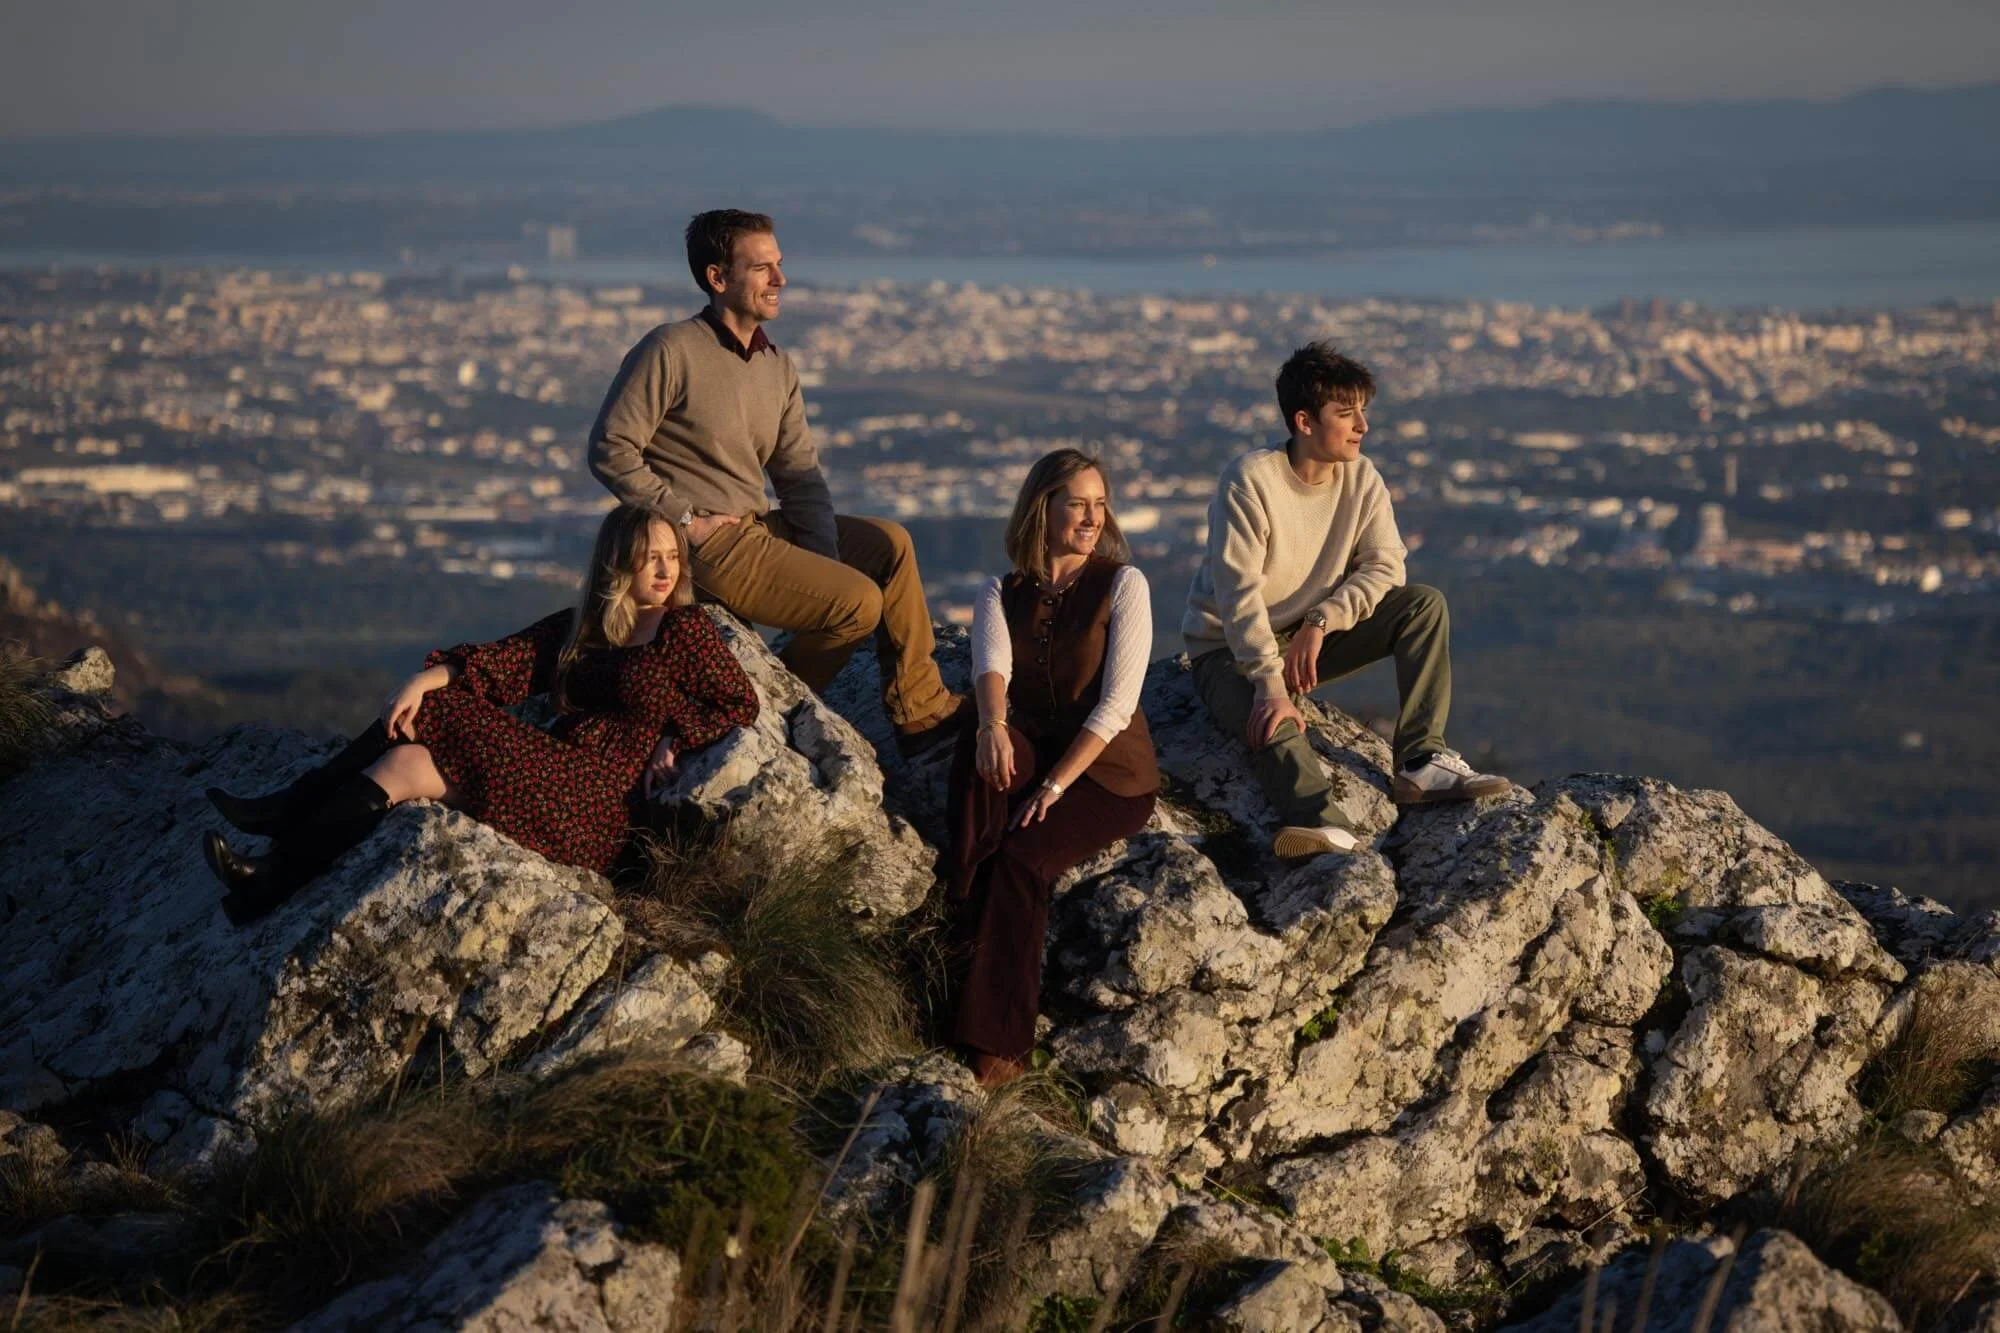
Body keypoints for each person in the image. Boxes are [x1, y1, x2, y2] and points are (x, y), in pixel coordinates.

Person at [202, 503, 759, 925]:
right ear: (619, 561)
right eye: (650, 555)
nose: (665, 569)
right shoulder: (584, 626)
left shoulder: (684, 629)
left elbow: (740, 701)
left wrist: (674, 739)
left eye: (671, 555)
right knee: (408, 763)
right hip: (556, 778)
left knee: (440, 710)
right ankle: (267, 881)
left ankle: (288, 807)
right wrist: (423, 679)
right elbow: (505, 663)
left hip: (601, 806)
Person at [586, 208, 960, 756]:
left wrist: (825, 558)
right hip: (710, 543)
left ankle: (919, 711)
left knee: (890, 545)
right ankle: (769, 706)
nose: (780, 279)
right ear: (718, 278)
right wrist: (684, 521)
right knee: (857, 604)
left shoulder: (776, 366)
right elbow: (609, 446)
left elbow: (800, 478)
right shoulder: (671, 349)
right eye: (762, 268)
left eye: (779, 265)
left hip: (761, 527)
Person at [1184, 342, 1510, 860]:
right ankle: (1324, 825)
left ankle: (1421, 761)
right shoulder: (1251, 481)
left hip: (1310, 636)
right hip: (1228, 648)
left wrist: (1321, 620)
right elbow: (1238, 595)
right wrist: (1270, 686)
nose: (1362, 426)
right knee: (1274, 720)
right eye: (1346, 413)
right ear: (1304, 422)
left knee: (1423, 606)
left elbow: (1386, 564)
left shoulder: (1361, 478)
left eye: (1363, 411)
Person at [946, 449, 1158, 1087]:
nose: (1093, 517)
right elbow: (992, 668)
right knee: (975, 745)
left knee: (1023, 859)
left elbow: (1118, 704)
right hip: (1039, 747)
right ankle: (964, 884)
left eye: (1100, 504)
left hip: (1108, 776)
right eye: (1078, 504)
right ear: (1044, 508)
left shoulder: (1124, 585)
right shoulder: (1002, 590)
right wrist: (991, 727)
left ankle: (1000, 1044)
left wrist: (1054, 785)